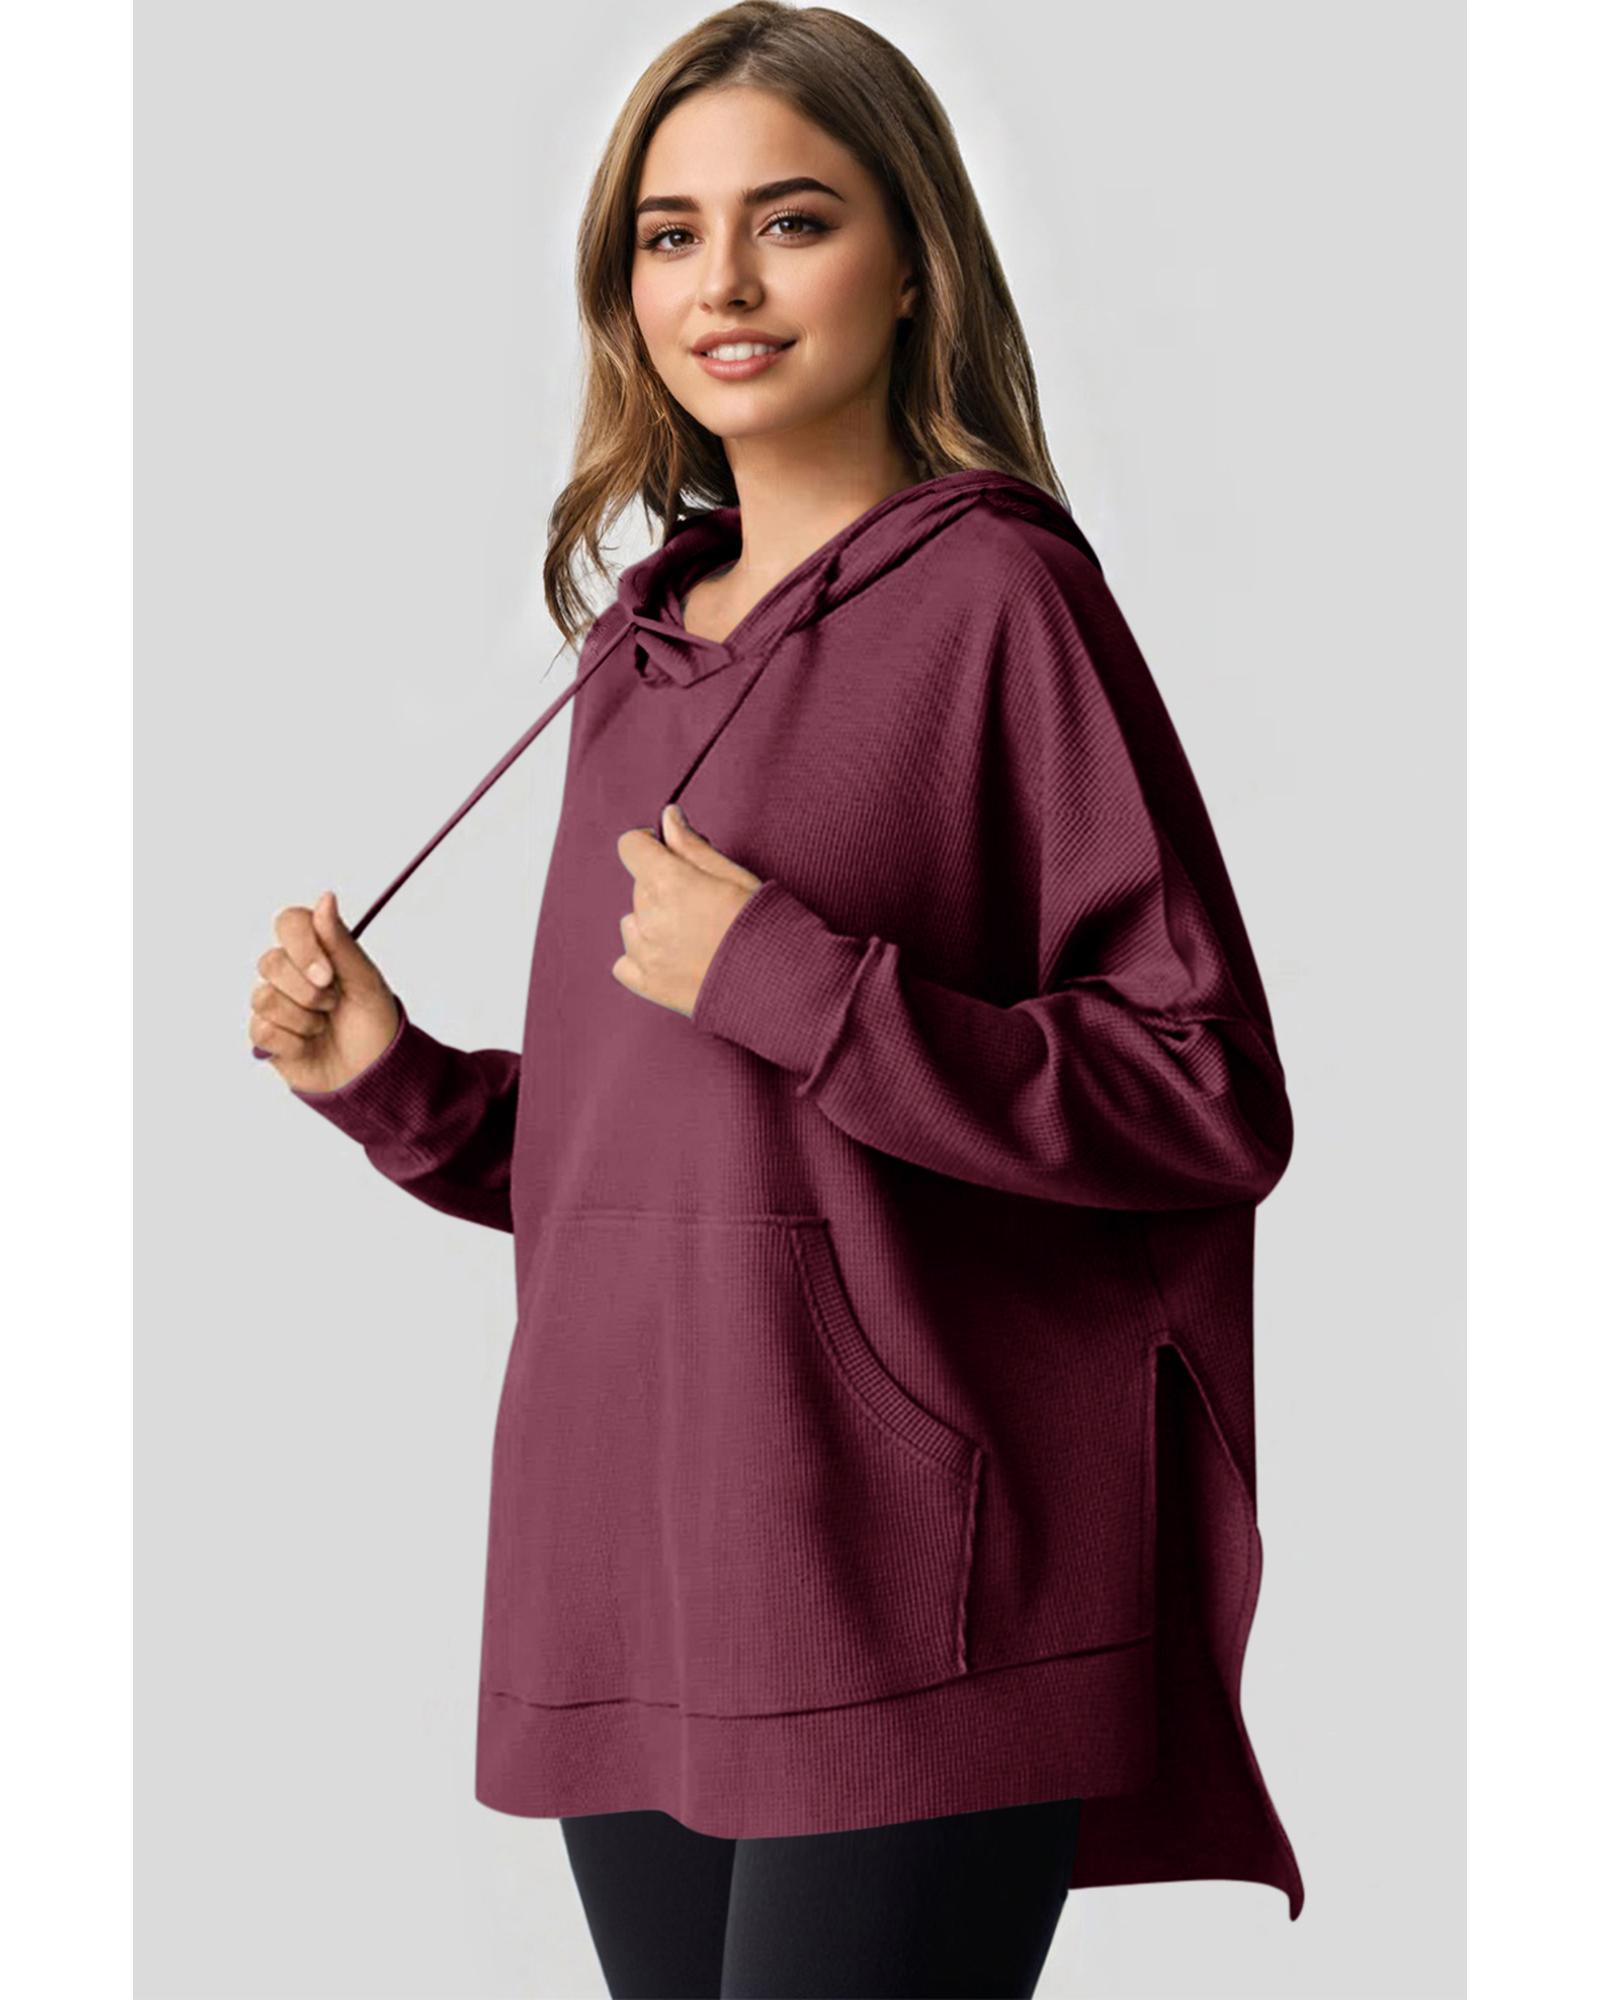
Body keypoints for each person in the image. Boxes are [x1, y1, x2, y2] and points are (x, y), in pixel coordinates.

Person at [249, 4, 1303, 1993]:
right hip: (625, 1566)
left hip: (896, 1581)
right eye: (670, 234)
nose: (720, 283)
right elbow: (661, 1167)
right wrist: (393, 1084)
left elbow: (1204, 1091)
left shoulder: (997, 602)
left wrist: (788, 979)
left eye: (790, 221)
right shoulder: (633, 655)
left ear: (911, 264)